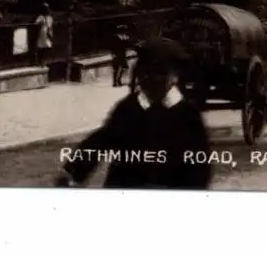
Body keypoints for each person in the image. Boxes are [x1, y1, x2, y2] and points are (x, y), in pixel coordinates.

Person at [55, 38, 213, 190]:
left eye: (161, 74)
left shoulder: (187, 114)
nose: (153, 80)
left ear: (174, 77)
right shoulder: (128, 109)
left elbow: (200, 162)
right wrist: (73, 172)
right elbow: (99, 142)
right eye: (147, 73)